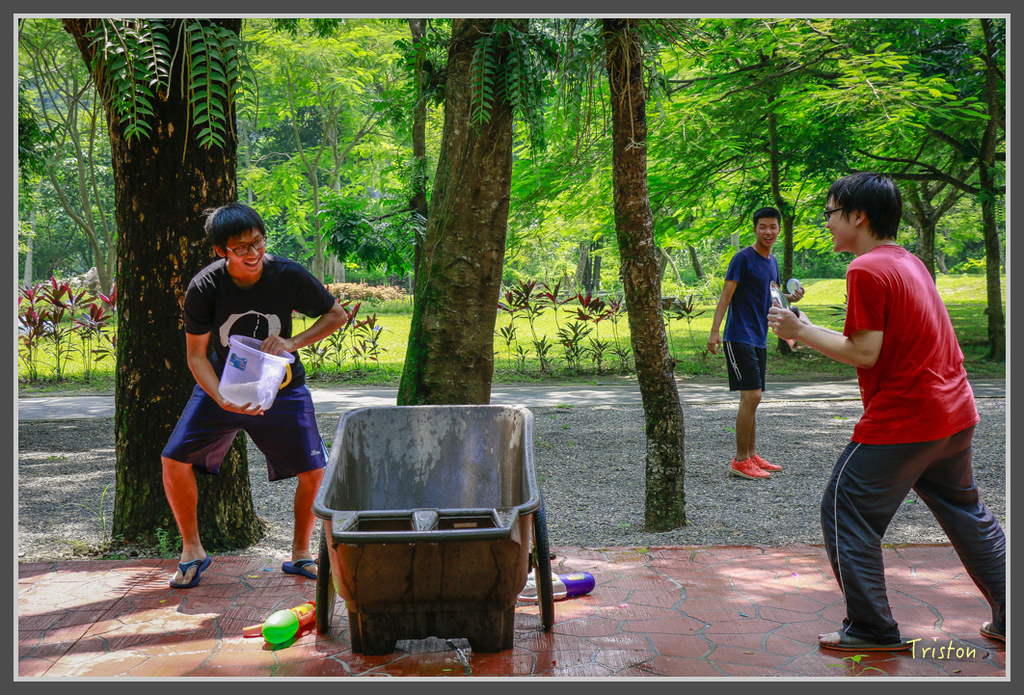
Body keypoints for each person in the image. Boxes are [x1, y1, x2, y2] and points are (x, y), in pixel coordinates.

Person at [768, 172, 1005, 651]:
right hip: (954, 412)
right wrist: (807, 329)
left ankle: (871, 629)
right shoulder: (907, 262)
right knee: (965, 511)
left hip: (908, 417)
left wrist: (798, 330)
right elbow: (875, 342)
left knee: (844, 508)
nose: (827, 224)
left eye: (831, 214)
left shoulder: (866, 269)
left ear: (858, 216)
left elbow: (865, 354)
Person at [161, 203, 349, 588]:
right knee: (173, 461)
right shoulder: (205, 286)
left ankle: (300, 553)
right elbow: (196, 356)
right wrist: (219, 397)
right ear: (221, 251)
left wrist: (292, 343)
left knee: (316, 472)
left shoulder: (288, 274)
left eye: (258, 242)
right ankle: (192, 550)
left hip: (283, 389)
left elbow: (336, 315)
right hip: (223, 387)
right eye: (241, 248)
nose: (253, 254)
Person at [708, 206, 804, 480]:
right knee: (752, 396)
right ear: (755, 229)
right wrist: (715, 331)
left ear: (779, 229)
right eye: (763, 226)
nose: (768, 232)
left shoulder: (771, 262)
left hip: (758, 337)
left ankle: (751, 455)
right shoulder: (742, 259)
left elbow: (770, 296)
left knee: (753, 399)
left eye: (773, 226)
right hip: (738, 336)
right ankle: (740, 461)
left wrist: (790, 299)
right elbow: (725, 297)